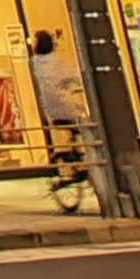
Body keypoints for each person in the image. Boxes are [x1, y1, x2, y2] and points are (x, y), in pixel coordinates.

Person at [26, 27, 92, 204]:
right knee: (81, 129)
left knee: (75, 131)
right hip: (65, 106)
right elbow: (71, 77)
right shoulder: (55, 62)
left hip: (53, 108)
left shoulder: (35, 62)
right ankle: (79, 164)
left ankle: (75, 159)